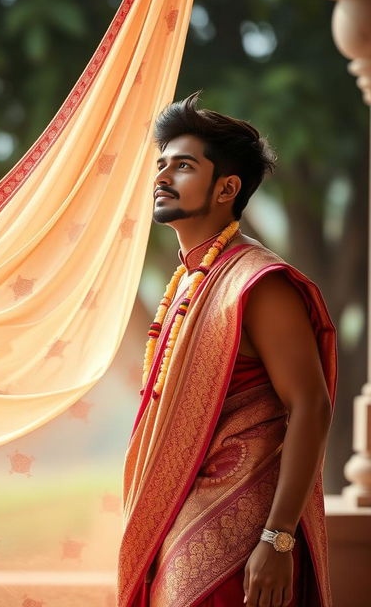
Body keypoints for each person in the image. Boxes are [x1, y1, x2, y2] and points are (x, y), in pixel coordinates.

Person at [116, 91, 337, 607]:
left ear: (226, 188)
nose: (162, 177)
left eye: (184, 166)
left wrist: (277, 538)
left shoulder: (257, 284)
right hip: (181, 520)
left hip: (243, 540)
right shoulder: (193, 279)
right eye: (161, 164)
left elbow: (311, 406)